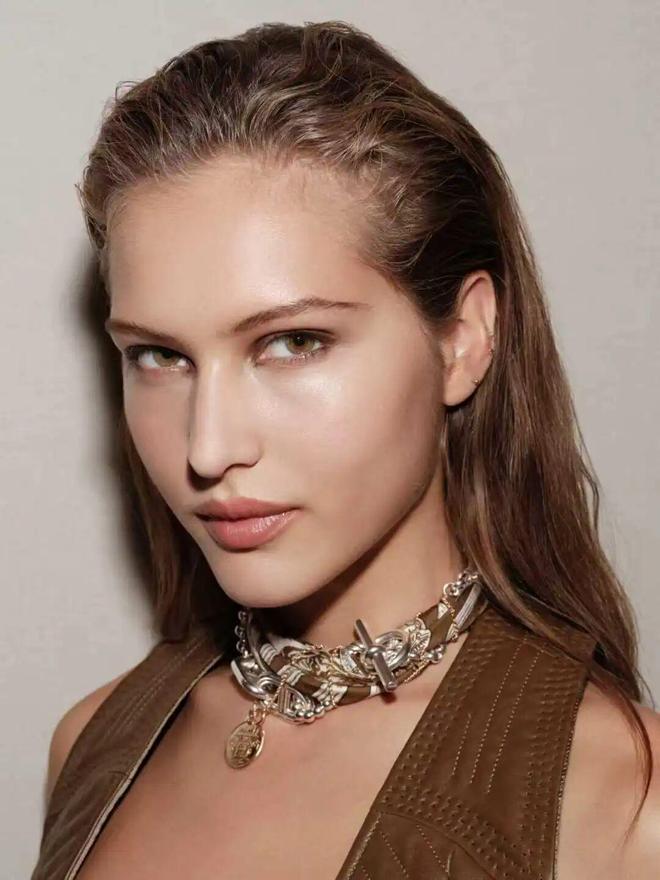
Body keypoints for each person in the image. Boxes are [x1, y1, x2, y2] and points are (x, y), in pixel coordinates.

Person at [32, 19, 659, 880]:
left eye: (294, 343)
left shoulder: (626, 808)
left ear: (464, 340)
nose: (208, 447)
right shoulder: (89, 747)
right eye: (160, 356)